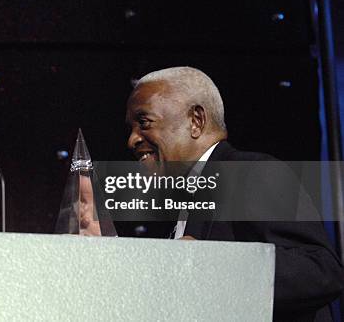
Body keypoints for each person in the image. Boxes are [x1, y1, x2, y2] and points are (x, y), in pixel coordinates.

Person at [125, 66, 343, 322]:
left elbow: (320, 271)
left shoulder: (251, 172)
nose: (132, 140)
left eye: (144, 123)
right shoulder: (186, 197)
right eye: (131, 128)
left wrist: (213, 263)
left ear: (196, 121)